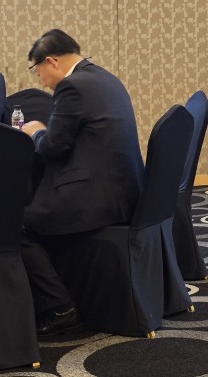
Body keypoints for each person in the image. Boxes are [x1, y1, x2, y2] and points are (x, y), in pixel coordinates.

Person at [21, 29, 144, 338]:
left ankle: (61, 308)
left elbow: (52, 147)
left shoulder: (72, 86)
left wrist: (35, 131)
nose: (41, 81)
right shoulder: (105, 77)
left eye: (37, 71)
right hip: (123, 189)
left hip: (97, 197)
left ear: (51, 61)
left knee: (14, 225)